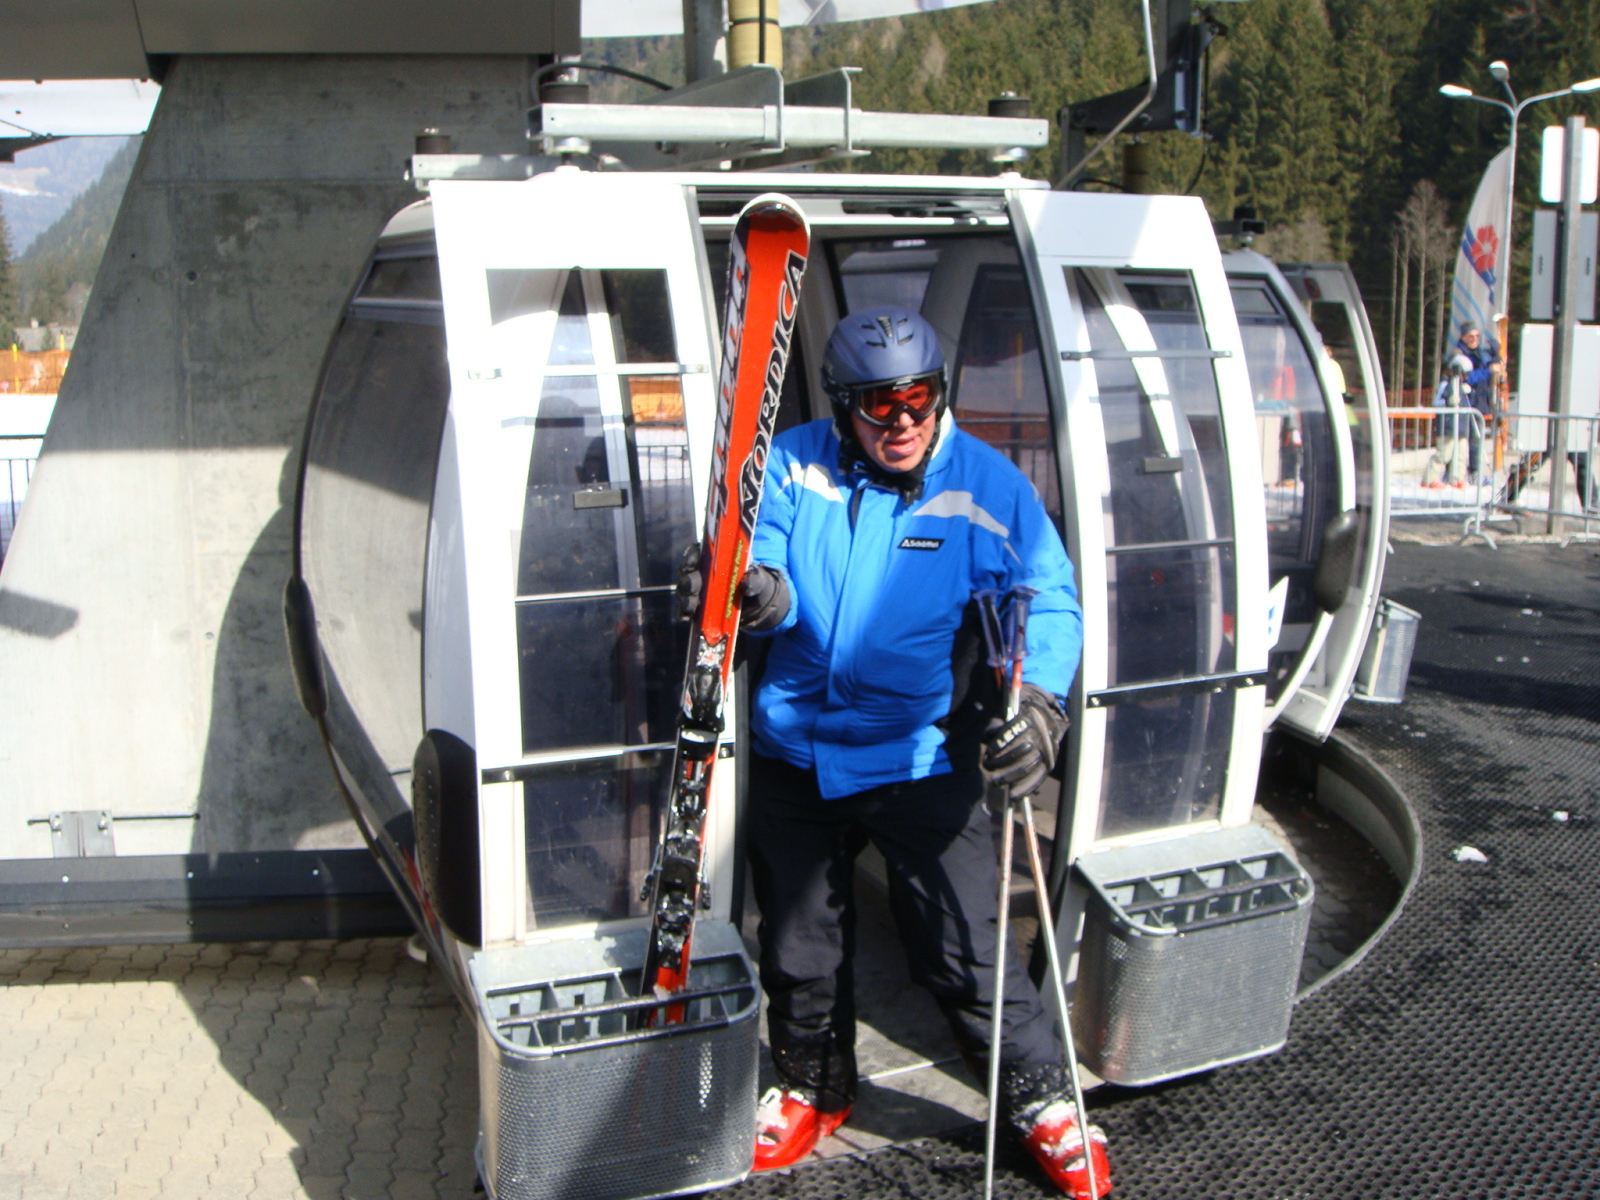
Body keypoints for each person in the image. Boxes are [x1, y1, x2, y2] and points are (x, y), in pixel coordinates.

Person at [725, 305, 1110, 1198]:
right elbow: (769, 566)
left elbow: (1046, 596)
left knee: (963, 946)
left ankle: (1040, 1098)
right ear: (843, 406)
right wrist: (758, 595)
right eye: (878, 404)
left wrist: (1042, 704)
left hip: (918, 756)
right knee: (797, 943)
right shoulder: (794, 462)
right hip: (798, 749)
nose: (902, 421)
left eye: (920, 399)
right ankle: (815, 1083)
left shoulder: (985, 484)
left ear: (942, 395)